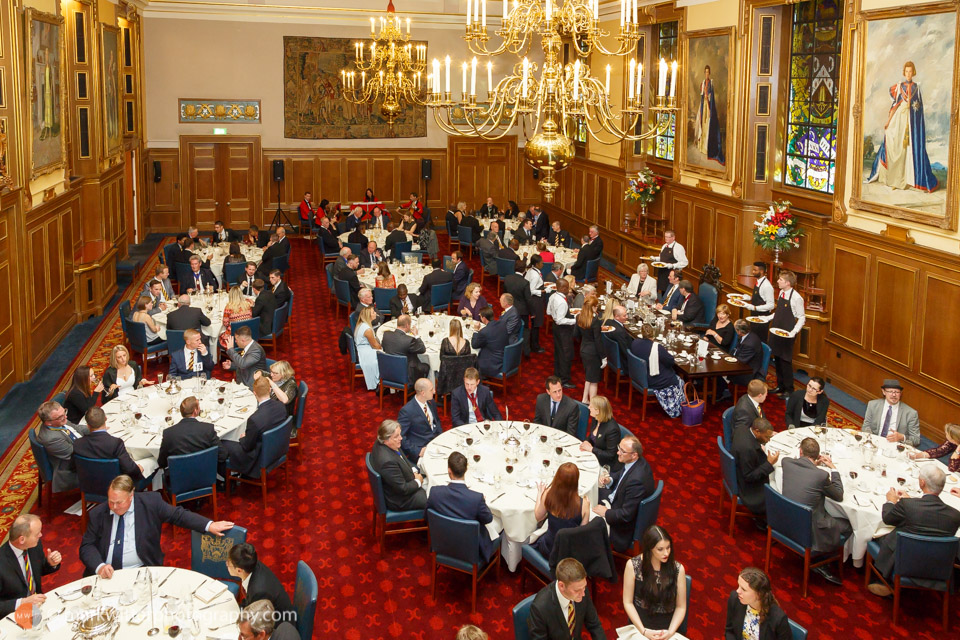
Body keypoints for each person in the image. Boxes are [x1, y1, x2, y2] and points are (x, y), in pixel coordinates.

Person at [79, 474, 233, 577]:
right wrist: (99, 566)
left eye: (119, 502)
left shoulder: (150, 503)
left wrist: (209, 525)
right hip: (106, 575)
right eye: (110, 501)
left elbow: (178, 515)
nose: (113, 506)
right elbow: (86, 546)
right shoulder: (98, 513)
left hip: (141, 572)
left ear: (131, 496)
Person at [867, 465, 960, 596]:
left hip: (904, 561)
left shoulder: (908, 506)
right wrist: (911, 502)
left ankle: (883, 580)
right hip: (937, 565)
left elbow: (888, 518)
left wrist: (891, 502)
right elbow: (929, 521)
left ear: (922, 483)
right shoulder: (955, 515)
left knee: (877, 534)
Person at [781, 437, 850, 585]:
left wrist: (814, 466)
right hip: (809, 529)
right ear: (818, 456)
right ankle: (822, 559)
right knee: (849, 525)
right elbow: (838, 495)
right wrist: (833, 468)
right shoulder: (821, 475)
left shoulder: (786, 462)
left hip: (784, 520)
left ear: (800, 451)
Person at [866, 61, 939, 193]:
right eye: (906, 71)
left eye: (910, 72)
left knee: (909, 149)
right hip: (899, 121)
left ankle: (909, 179)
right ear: (904, 72)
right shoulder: (900, 87)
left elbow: (918, 109)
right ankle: (896, 180)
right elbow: (895, 106)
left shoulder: (917, 88)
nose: (908, 74)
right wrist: (888, 122)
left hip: (912, 124)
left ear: (913, 73)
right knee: (897, 147)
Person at [427, 452, 498, 559]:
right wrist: (483, 502)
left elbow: (427, 516)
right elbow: (488, 519)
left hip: (442, 542)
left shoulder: (435, 492)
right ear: (466, 470)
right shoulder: (476, 499)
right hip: (471, 549)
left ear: (449, 470)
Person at [622, 526, 687, 639]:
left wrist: (670, 632)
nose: (666, 553)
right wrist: (644, 631)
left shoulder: (678, 569)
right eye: (660, 549)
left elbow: (681, 607)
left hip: (667, 631)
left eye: (668, 547)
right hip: (641, 629)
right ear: (650, 549)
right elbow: (628, 602)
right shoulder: (633, 566)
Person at [594, 435, 656, 553]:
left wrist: (606, 512)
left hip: (621, 526)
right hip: (618, 499)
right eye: (619, 448)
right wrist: (610, 480)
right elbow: (622, 474)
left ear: (634, 455)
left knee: (587, 507)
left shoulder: (636, 481)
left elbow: (626, 515)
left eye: (622, 451)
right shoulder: (637, 462)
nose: (618, 452)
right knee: (592, 490)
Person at [223, 378, 288, 477]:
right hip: (278, 447)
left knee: (222, 443)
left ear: (254, 393)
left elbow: (247, 446)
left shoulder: (254, 419)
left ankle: (225, 478)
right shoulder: (281, 406)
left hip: (259, 456)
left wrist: (243, 437)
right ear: (269, 390)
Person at [527, 557, 606, 640]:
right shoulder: (540, 608)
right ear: (561, 586)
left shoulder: (581, 589)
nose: (583, 594)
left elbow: (594, 625)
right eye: (577, 590)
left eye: (584, 587)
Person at [0, 514, 61, 617]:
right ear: (22, 540)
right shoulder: (2, 562)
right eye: (37, 533)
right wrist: (22, 602)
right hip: (14, 616)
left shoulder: (34, 546)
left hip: (39, 606)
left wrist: (50, 563)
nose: (41, 535)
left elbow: (37, 570)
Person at [759, 271, 805, 397]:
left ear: (788, 283)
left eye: (780, 280)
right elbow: (778, 312)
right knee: (777, 359)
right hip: (776, 330)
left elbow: (801, 318)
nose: (778, 281)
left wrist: (793, 332)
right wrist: (767, 319)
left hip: (787, 334)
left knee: (785, 361)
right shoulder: (781, 293)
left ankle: (789, 389)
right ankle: (780, 385)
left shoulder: (796, 298)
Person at [157, 396, 222, 481]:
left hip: (179, 480)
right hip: (205, 476)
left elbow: (162, 463)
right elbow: (222, 454)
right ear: (195, 411)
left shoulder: (168, 433)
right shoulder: (207, 429)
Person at [533, 462, 591, 557]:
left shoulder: (549, 494)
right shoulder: (584, 504)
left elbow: (538, 517)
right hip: (569, 553)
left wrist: (540, 493)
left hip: (549, 548)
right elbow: (581, 534)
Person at [74, 406, 145, 481]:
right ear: (105, 419)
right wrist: (138, 469)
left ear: (87, 425)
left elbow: (74, 467)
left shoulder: (77, 444)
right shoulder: (115, 443)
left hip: (90, 485)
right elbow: (131, 470)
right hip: (116, 487)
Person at [629, 326, 685, 419]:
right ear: (654, 335)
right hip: (654, 380)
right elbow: (670, 361)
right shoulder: (656, 347)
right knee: (678, 379)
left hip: (639, 376)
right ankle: (677, 409)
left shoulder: (635, 342)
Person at [370, 419, 426, 510]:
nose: (401, 438)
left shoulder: (386, 442)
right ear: (386, 439)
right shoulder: (387, 462)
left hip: (402, 481)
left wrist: (413, 471)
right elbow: (403, 489)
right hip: (400, 499)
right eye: (397, 436)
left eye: (400, 434)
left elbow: (401, 457)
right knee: (433, 498)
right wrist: (418, 481)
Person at [226, 543, 295, 616]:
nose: (226, 563)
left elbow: (256, 620)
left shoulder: (258, 592)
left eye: (228, 563)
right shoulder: (252, 563)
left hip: (277, 622)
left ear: (239, 570)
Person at [723, 567, 791, 640]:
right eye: (739, 586)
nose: (737, 591)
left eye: (743, 589)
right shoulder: (735, 599)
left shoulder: (778, 619)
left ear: (759, 595)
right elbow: (730, 630)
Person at [36, 401, 88, 492]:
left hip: (80, 449)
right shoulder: (51, 438)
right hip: (70, 468)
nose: (65, 417)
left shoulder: (59, 421)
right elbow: (76, 454)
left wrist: (97, 428)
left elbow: (77, 428)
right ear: (48, 423)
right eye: (60, 417)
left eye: (64, 412)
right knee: (111, 462)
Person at [732, 418, 778, 522]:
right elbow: (749, 476)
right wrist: (769, 464)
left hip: (740, 468)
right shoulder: (748, 449)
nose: (768, 440)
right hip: (749, 489)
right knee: (778, 490)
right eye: (766, 437)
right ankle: (764, 521)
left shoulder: (742, 428)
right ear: (757, 431)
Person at [860, 379, 921, 447]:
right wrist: (870, 439)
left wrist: (902, 437)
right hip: (874, 442)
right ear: (884, 392)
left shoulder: (911, 413)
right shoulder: (873, 405)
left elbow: (916, 440)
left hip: (895, 446)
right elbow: (866, 426)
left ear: (900, 394)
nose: (894, 395)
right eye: (890, 391)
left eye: (897, 392)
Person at [397, 378, 443, 463]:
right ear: (423, 393)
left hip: (436, 442)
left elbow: (436, 421)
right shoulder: (407, 411)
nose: (434, 391)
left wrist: (440, 437)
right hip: (422, 448)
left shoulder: (431, 402)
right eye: (431, 389)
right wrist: (417, 451)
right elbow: (401, 437)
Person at [719, 320, 766, 399]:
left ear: (739, 332)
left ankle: (723, 392)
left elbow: (740, 362)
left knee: (719, 371)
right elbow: (736, 349)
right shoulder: (747, 335)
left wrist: (725, 362)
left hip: (748, 371)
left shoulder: (749, 344)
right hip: (744, 362)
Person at [381, 314, 430, 384]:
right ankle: (418, 388)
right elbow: (422, 349)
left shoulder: (386, 334)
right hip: (406, 374)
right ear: (407, 325)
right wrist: (416, 335)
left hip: (389, 370)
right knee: (426, 366)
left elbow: (384, 348)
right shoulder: (409, 340)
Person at [547, 279, 576, 388]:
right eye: (567, 287)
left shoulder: (553, 296)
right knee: (566, 354)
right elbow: (560, 320)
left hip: (555, 328)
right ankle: (564, 380)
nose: (568, 289)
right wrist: (574, 321)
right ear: (563, 288)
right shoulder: (562, 302)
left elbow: (548, 312)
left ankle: (558, 374)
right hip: (563, 329)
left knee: (559, 352)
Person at [579, 396, 622, 471]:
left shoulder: (612, 429)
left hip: (604, 464)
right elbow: (591, 434)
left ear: (597, 411)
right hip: (593, 456)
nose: (588, 408)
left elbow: (610, 455)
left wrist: (592, 449)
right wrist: (587, 441)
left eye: (591, 406)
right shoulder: (596, 418)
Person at [694, 65, 725, 166]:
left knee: (709, 126)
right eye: (705, 72)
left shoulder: (711, 83)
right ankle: (702, 147)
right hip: (704, 106)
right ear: (704, 73)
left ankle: (708, 148)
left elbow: (711, 96)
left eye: (708, 72)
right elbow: (702, 95)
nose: (707, 74)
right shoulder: (702, 83)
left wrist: (708, 98)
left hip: (709, 107)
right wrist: (705, 98)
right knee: (703, 125)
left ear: (709, 73)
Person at [575, 297, 604, 404]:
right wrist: (603, 357)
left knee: (588, 375)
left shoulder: (579, 317)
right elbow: (598, 340)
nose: (597, 308)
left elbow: (576, 335)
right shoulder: (595, 321)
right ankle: (592, 404)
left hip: (583, 350)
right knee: (594, 381)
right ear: (592, 307)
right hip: (593, 353)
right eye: (596, 306)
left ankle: (584, 399)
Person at [437, 318, 475, 397]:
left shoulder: (445, 341)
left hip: (448, 377)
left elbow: (442, 359)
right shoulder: (466, 342)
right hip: (463, 376)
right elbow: (468, 361)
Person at [471, 306, 508, 380]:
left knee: (471, 361)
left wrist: (475, 330)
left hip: (493, 364)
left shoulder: (484, 332)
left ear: (484, 318)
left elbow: (474, 345)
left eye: (480, 316)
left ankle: (481, 379)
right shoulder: (502, 324)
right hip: (504, 357)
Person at [740, 261, 775, 341]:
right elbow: (759, 297)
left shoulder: (767, 286)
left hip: (762, 319)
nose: (753, 272)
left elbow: (771, 305)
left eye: (755, 270)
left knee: (759, 340)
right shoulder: (758, 282)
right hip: (754, 317)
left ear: (761, 271)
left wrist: (754, 308)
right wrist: (748, 298)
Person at [354, 306, 382, 392]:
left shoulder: (362, 324)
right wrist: (383, 348)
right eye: (373, 313)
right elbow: (375, 346)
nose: (376, 314)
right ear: (369, 316)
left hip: (363, 347)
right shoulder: (367, 329)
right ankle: (380, 381)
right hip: (365, 352)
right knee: (385, 355)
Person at [655, 231, 688, 295]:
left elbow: (685, 262)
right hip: (662, 274)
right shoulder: (664, 246)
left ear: (673, 238)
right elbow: (662, 258)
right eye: (665, 237)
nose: (666, 238)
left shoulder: (678, 247)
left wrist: (672, 265)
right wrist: (655, 258)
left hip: (672, 276)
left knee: (670, 294)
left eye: (668, 237)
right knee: (663, 293)